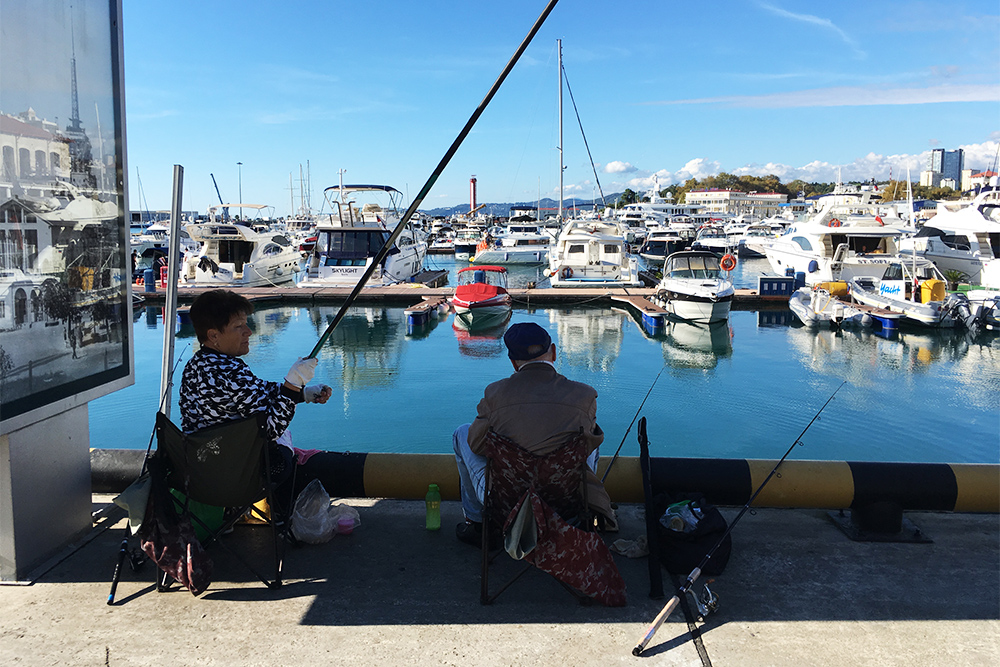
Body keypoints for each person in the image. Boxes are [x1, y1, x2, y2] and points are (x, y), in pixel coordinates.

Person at [452, 321, 616, 547]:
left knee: (461, 433)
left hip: (507, 501)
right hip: (566, 500)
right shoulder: (584, 395)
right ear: (555, 352)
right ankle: (577, 524)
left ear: (513, 362)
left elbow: (476, 445)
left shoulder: (495, 393)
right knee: (590, 439)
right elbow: (587, 447)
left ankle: (478, 524)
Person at [179, 289, 332, 507]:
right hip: (237, 477)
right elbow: (272, 428)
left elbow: (259, 392)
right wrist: (295, 381)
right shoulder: (230, 370)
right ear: (213, 335)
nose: (249, 332)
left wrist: (304, 394)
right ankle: (279, 517)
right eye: (238, 327)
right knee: (283, 447)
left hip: (201, 471)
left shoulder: (195, 365)